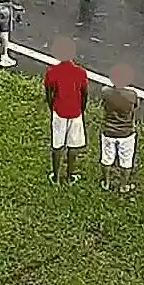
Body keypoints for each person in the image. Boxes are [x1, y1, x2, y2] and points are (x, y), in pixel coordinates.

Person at [43, 45, 88, 186]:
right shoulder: (80, 72)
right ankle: (70, 176)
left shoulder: (52, 72)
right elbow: (85, 93)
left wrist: (52, 107)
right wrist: (81, 108)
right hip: (75, 112)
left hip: (59, 111)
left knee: (57, 145)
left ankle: (56, 176)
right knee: (73, 145)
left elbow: (49, 92)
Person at [99, 65, 140, 193]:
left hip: (109, 130)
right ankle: (123, 185)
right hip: (126, 132)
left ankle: (106, 182)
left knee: (107, 157)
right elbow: (135, 108)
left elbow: (103, 105)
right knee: (126, 160)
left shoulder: (106, 92)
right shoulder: (132, 95)